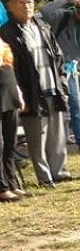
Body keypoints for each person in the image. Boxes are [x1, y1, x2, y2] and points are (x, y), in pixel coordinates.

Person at [0, 0, 80, 188]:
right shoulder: (6, 32)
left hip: (52, 86)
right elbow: (11, 67)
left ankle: (60, 172)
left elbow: (58, 56)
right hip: (30, 91)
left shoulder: (43, 26)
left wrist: (62, 84)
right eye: (20, 2)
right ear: (10, 6)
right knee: (37, 136)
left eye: (29, 2)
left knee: (57, 133)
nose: (26, 6)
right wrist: (19, 93)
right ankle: (44, 177)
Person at [41, 0, 80, 153]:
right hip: (65, 68)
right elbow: (45, 11)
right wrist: (68, 0)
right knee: (75, 103)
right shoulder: (63, 16)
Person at [0, 35, 24, 202]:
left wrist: (18, 93)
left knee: (10, 142)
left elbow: (9, 65)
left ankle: (12, 182)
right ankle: (2, 187)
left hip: (9, 92)